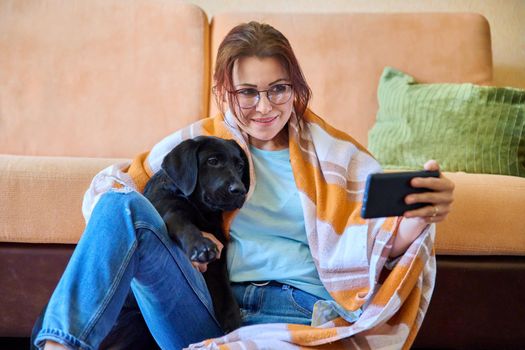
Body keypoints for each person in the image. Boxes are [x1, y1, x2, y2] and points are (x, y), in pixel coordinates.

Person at [34, 21, 454, 349]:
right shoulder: (197, 142)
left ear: (296, 88)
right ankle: (60, 345)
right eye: (248, 92)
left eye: (278, 89)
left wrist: (421, 215)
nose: (265, 107)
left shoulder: (337, 158)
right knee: (119, 204)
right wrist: (182, 237)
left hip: (296, 307)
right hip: (207, 308)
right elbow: (120, 194)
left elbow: (380, 240)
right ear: (224, 90)